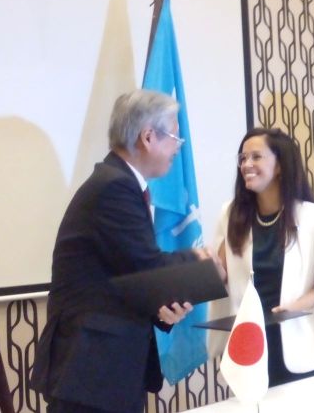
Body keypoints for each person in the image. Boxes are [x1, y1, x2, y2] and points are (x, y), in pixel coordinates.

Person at [31, 90, 215, 413]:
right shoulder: (114, 187)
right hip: (91, 372)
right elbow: (149, 267)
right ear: (148, 137)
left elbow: (127, 277)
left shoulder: (118, 182)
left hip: (104, 373)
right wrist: (203, 261)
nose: (178, 147)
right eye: (175, 137)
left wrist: (161, 310)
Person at [209, 128, 314, 387]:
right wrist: (205, 267)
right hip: (249, 346)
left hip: (299, 344)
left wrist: (293, 307)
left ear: (280, 165)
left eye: (256, 157)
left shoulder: (313, 217)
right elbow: (222, 276)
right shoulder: (230, 214)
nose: (246, 164)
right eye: (242, 158)